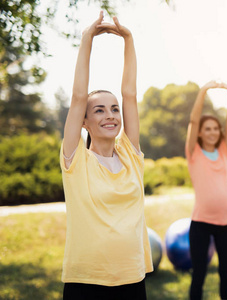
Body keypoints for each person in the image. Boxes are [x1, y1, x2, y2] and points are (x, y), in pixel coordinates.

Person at [60, 12, 152, 300]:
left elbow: (130, 94)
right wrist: (87, 39)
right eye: (99, 110)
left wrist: (129, 39)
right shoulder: (76, 161)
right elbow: (77, 97)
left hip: (132, 279)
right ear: (84, 122)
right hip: (86, 284)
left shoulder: (131, 156)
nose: (111, 115)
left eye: (114, 109)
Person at [185, 81, 227, 300]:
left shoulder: (225, 151)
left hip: (226, 223)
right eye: (207, 129)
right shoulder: (194, 153)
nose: (212, 132)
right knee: (199, 274)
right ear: (199, 133)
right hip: (201, 224)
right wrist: (203, 91)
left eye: (216, 128)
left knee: (226, 274)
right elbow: (193, 119)